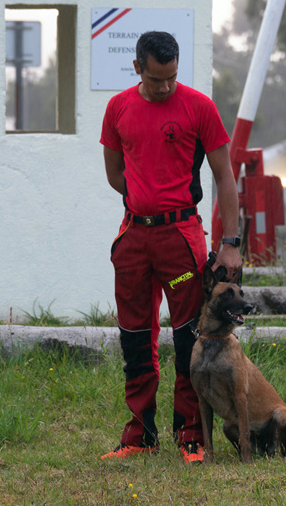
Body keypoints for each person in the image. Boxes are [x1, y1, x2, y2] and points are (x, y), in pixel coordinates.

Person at [99, 31, 242, 464]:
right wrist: (144, 203)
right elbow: (114, 173)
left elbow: (225, 177)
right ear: (138, 67)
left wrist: (230, 243)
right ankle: (139, 434)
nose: (165, 87)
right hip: (134, 239)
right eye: (158, 79)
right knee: (135, 337)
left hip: (181, 240)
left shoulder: (199, 107)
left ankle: (191, 434)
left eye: (172, 78)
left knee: (186, 338)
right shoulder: (118, 108)